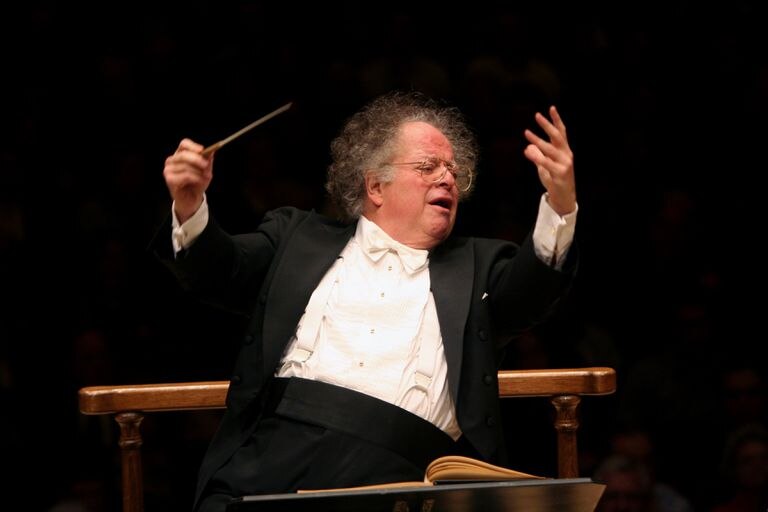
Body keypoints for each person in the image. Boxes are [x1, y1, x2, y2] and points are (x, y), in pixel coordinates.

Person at [154, 91, 577, 511]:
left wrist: (560, 203)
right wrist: (189, 204)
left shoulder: (480, 267)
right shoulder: (296, 237)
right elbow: (217, 272)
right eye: (428, 167)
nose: (447, 178)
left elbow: (533, 290)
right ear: (375, 185)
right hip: (272, 459)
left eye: (453, 170)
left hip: (399, 476)